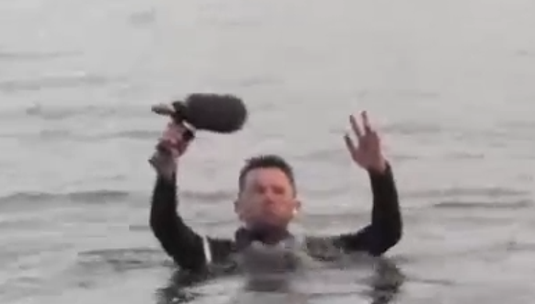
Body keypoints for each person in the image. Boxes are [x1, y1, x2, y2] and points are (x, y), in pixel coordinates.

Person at [148, 111, 402, 272]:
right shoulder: (212, 255)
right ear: (238, 207)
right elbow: (165, 227)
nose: (269, 197)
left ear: (295, 207)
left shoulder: (325, 252)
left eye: (278, 191)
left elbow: (386, 233)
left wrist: (379, 172)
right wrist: (167, 176)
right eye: (258, 190)